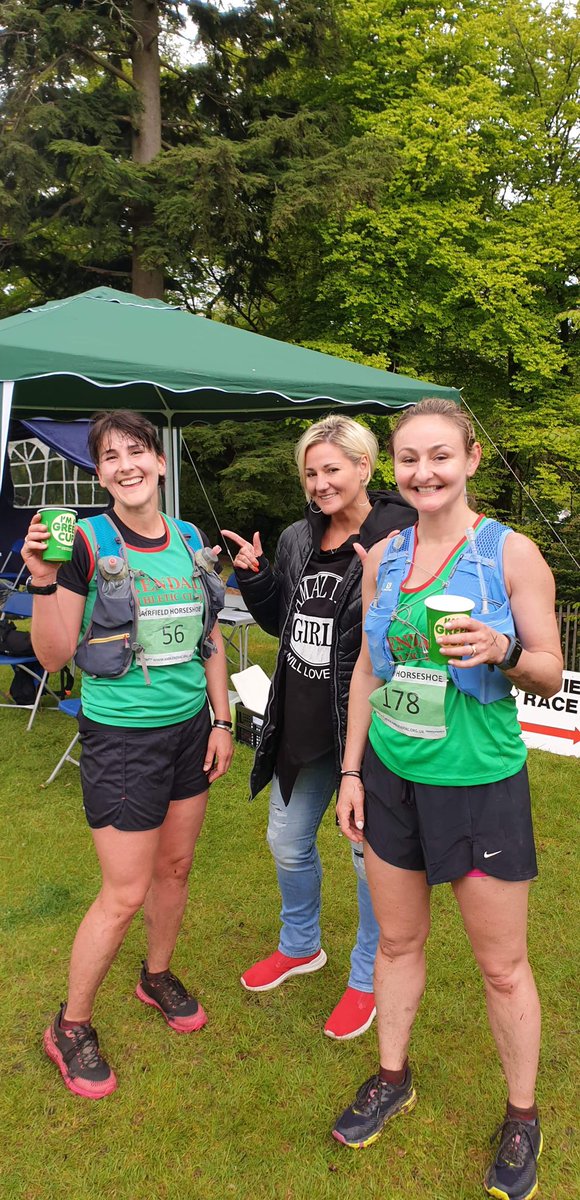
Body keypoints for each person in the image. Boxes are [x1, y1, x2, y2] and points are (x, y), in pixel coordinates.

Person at [332, 398, 562, 1199]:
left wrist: (503, 650)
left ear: (469, 459)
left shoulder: (510, 554)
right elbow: (368, 669)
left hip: (479, 785)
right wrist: (353, 772)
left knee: (501, 968)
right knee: (397, 945)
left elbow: (550, 668)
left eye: (439, 456)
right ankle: (392, 1077)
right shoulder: (382, 556)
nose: (423, 473)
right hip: (393, 779)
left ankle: (523, 1115)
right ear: (392, 467)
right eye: (408, 459)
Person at [22, 410, 234, 1099]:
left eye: (136, 450)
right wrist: (42, 579)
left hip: (188, 729)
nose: (125, 464)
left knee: (175, 866)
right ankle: (70, 1025)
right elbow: (56, 658)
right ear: (100, 472)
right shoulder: (85, 542)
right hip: (122, 740)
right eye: (109, 456)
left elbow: (209, 635)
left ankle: (156, 974)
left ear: (161, 462)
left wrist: (222, 718)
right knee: (123, 892)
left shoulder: (190, 537)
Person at [222, 415, 416, 1039]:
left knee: (367, 859)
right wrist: (254, 578)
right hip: (301, 720)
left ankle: (367, 978)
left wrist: (388, 591)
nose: (321, 483)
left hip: (367, 722)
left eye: (333, 468)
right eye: (311, 472)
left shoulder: (400, 530)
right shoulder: (296, 539)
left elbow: (409, 630)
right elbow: (285, 621)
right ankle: (301, 944)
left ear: (364, 466)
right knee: (286, 840)